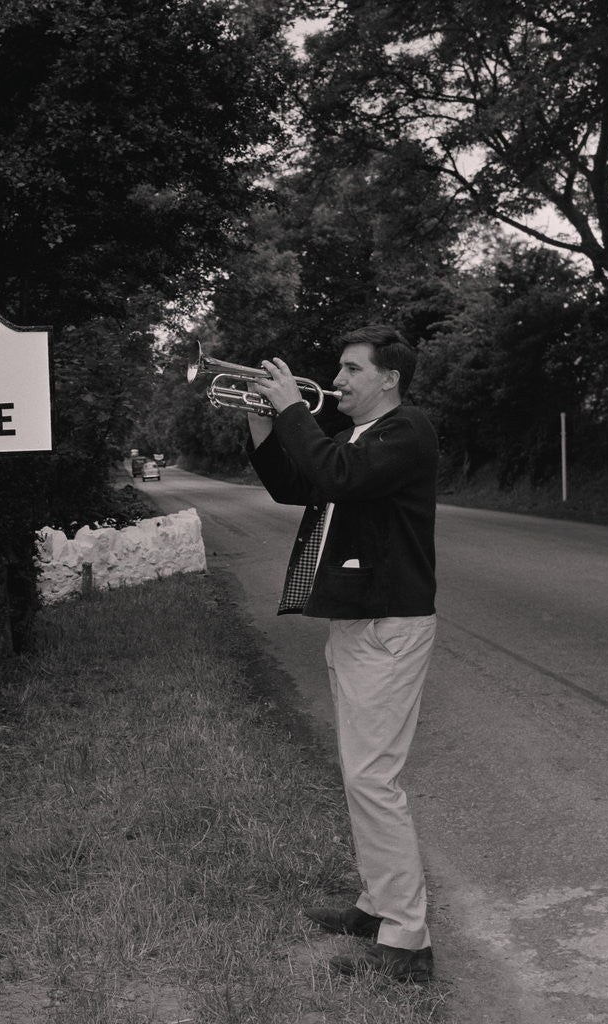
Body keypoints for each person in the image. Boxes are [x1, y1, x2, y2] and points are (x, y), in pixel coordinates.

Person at [247, 324, 438, 984]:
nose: (340, 378)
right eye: (340, 367)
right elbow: (297, 485)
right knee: (362, 772)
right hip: (359, 622)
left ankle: (408, 938)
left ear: (388, 379)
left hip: (389, 625)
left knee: (373, 779)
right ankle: (377, 905)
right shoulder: (357, 439)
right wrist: (263, 424)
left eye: (353, 369)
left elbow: (336, 474)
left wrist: (293, 408)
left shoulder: (407, 431)